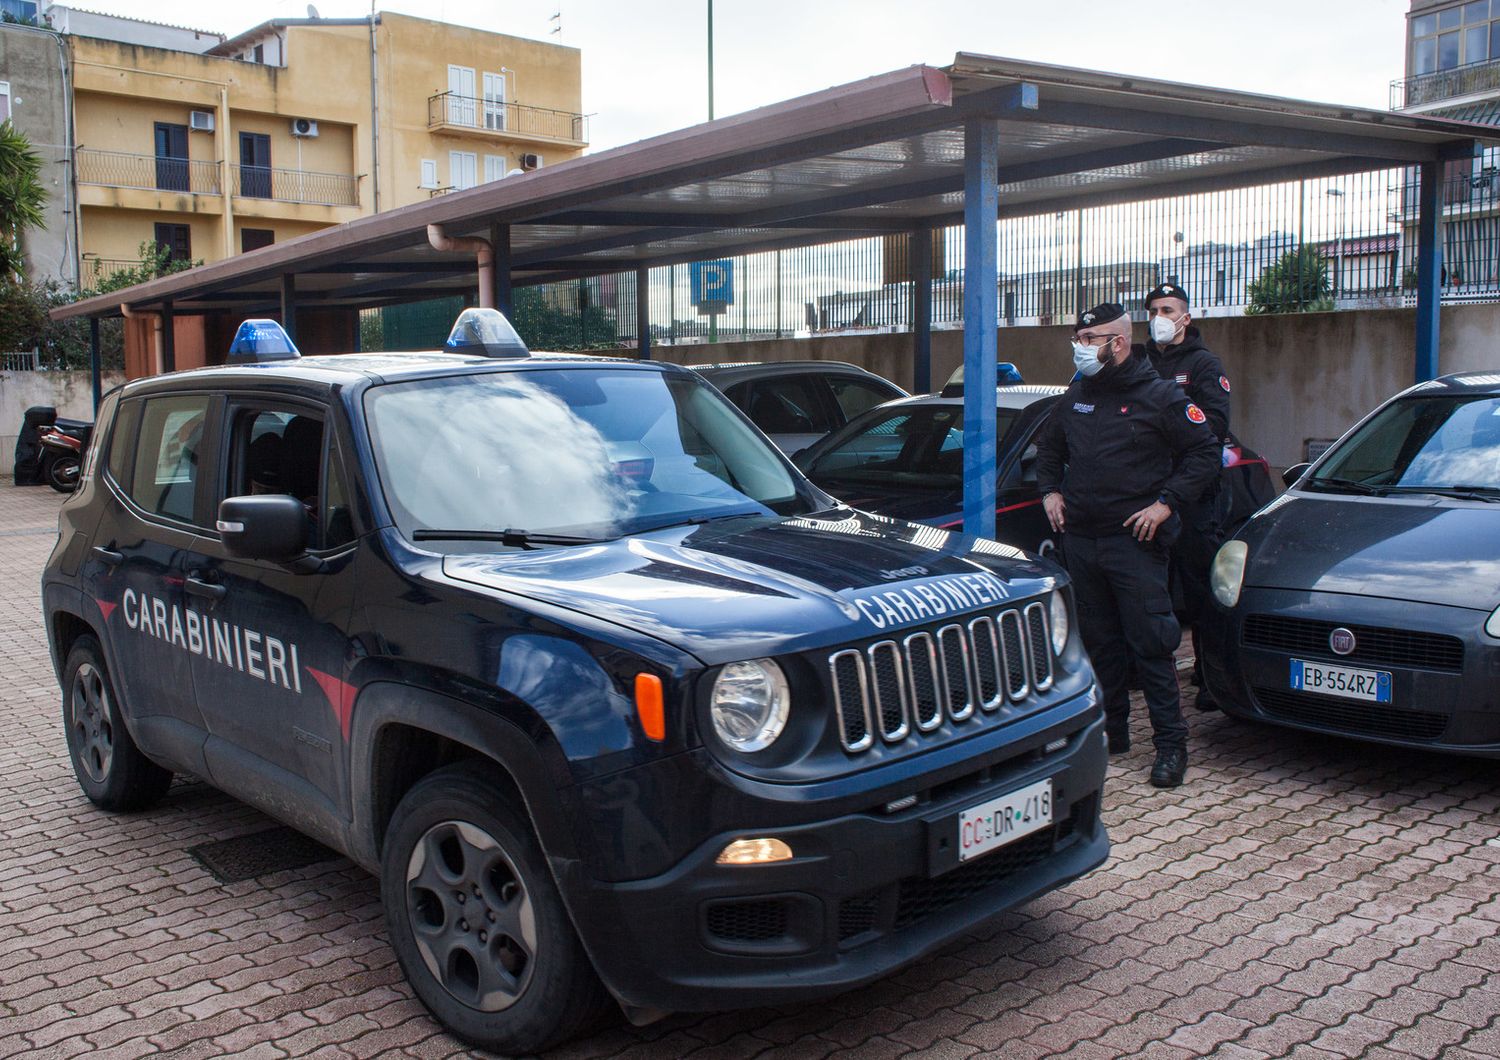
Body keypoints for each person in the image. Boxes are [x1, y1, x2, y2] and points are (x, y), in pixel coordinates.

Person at [1035, 303, 1220, 788]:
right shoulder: (1078, 392)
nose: (1080, 346)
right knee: (1100, 645)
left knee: (1152, 645)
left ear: (1117, 343)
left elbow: (1205, 453)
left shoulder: (1160, 396)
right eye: (1078, 337)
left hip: (1134, 543)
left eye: (1089, 338)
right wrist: (1050, 490)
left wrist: (1166, 504)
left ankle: (1170, 747)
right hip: (1082, 541)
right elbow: (1049, 448)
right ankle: (1111, 732)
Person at [1144, 283, 1232, 711]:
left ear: (1185, 318)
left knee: (1200, 589)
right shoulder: (1139, 362)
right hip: (1148, 491)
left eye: (1167, 309)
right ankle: (1153, 669)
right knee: (1155, 586)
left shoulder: (1202, 365)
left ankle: (1210, 675)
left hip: (1194, 494)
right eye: (1153, 309)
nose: (1158, 316)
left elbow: (1214, 424)